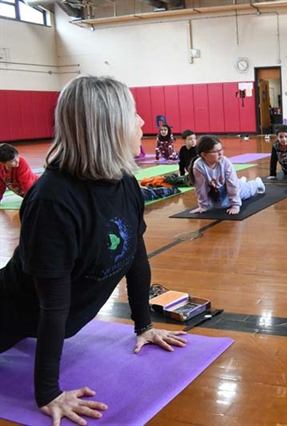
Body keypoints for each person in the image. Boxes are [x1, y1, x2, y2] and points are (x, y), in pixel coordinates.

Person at [0, 76, 187, 426]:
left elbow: (135, 257)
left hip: (40, 324)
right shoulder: (54, 202)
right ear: (109, 125)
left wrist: (144, 325)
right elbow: (52, 304)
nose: (143, 123)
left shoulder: (125, 184)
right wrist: (48, 393)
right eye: (134, 113)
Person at [188, 135, 265, 215]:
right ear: (204, 155)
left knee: (247, 192)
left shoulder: (225, 162)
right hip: (217, 190)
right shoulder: (198, 165)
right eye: (216, 151)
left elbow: (232, 185)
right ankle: (241, 181)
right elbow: (200, 187)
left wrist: (235, 205)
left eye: (221, 149)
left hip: (230, 186)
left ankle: (256, 183)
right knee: (221, 206)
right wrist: (203, 206)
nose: (220, 153)